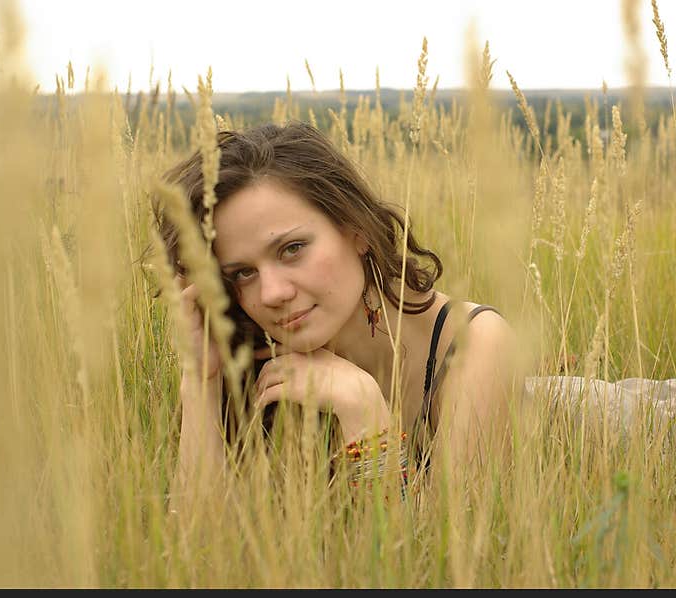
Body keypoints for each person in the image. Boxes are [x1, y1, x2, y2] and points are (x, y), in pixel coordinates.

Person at [153, 121, 523, 503]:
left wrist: (365, 415)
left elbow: (443, 552)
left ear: (355, 229)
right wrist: (202, 381)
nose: (272, 293)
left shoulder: (475, 344)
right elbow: (198, 552)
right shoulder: (253, 357)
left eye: (292, 249)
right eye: (243, 273)